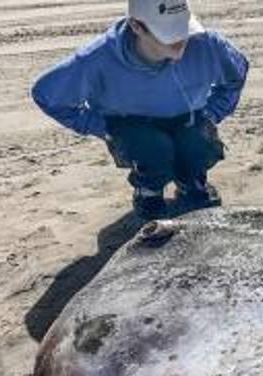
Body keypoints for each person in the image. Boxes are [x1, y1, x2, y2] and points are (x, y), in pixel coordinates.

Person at [31, 0, 249, 219]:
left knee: (198, 142)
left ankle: (192, 182)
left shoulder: (207, 44)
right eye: (167, 32)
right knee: (152, 147)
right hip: (133, 126)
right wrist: (103, 128)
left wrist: (212, 114)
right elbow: (47, 95)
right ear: (136, 26)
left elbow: (236, 74)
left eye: (183, 27)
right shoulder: (98, 59)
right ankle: (149, 191)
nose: (180, 39)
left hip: (189, 118)